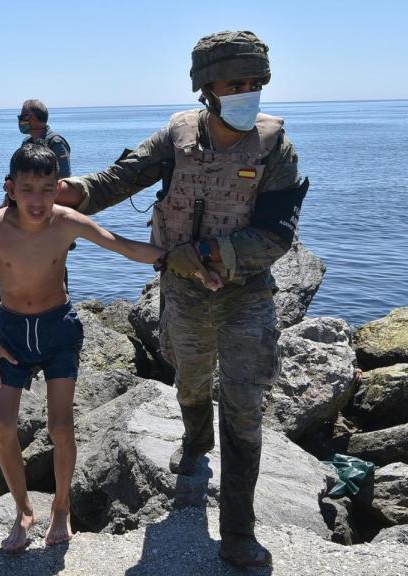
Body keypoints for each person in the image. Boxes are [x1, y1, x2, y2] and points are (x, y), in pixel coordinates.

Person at [54, 30, 309, 568]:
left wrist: (206, 252)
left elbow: (276, 235)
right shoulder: (176, 138)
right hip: (183, 290)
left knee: (244, 406)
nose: (246, 92)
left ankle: (238, 530)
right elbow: (117, 180)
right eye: (234, 83)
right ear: (206, 89)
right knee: (190, 378)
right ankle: (196, 441)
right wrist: (64, 193)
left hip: (245, 294)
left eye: (254, 82)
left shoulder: (276, 149)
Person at [0, 143, 218, 554]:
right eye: (27, 190)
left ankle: (61, 508)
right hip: (9, 334)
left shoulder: (67, 222)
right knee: (2, 426)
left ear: (58, 188)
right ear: (11, 188)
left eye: (47, 189)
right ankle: (23, 511)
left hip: (58, 330)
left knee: (61, 427)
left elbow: (125, 246)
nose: (38, 200)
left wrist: (185, 263)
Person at [18, 99, 71, 177]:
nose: (20, 119)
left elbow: (64, 177)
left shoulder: (55, 143)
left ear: (35, 118)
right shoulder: (26, 142)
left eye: (24, 116)